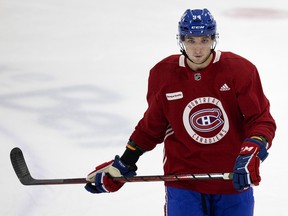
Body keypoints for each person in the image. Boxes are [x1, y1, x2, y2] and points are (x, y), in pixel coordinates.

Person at [85, 8, 276, 216]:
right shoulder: (163, 74)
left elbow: (261, 120)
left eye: (204, 40)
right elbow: (152, 127)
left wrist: (252, 151)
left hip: (232, 178)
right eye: (191, 40)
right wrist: (126, 161)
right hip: (183, 181)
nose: (197, 49)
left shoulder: (240, 70)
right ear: (181, 40)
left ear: (213, 39)